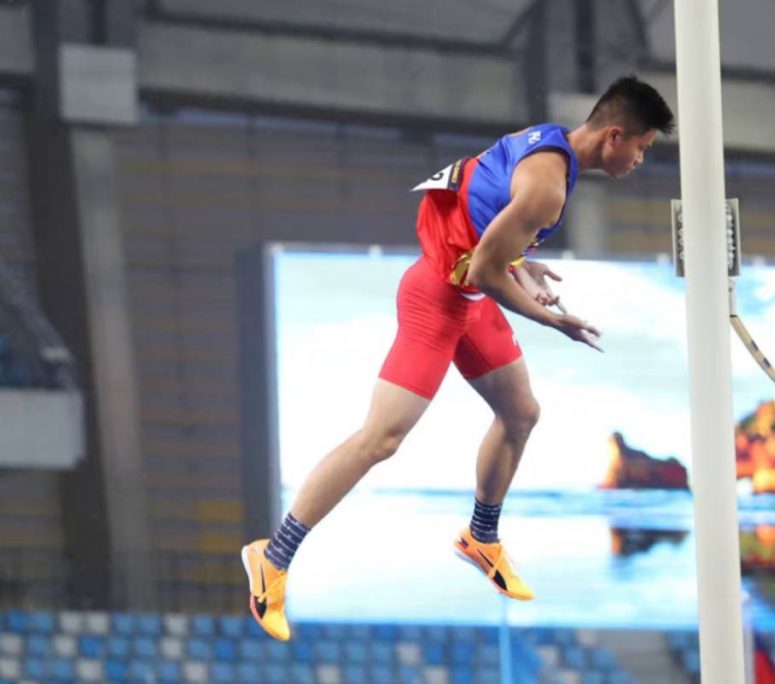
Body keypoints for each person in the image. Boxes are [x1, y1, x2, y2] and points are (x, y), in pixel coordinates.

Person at [241, 75, 675, 641]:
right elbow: (482, 270)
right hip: (438, 298)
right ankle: (272, 556)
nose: (640, 160)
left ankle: (481, 536)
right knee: (381, 438)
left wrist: (524, 263)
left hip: (467, 297)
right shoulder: (548, 189)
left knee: (521, 412)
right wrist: (552, 319)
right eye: (642, 148)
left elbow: (482, 213)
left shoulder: (543, 140)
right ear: (614, 136)